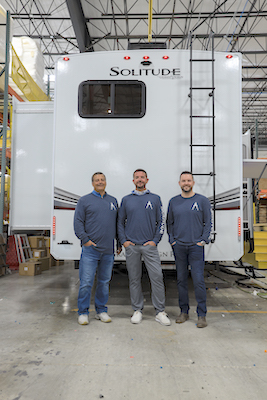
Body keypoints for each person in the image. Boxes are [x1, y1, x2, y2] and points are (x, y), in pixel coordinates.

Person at [117, 169, 171, 326]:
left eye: (142, 177)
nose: (139, 180)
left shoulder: (155, 198)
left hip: (149, 246)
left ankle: (160, 311)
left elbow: (161, 221)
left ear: (147, 179)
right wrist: (124, 241)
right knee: (134, 278)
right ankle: (137, 310)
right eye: (137, 177)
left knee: (157, 277)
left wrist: (155, 240)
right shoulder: (126, 200)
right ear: (133, 180)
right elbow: (120, 222)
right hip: (132, 246)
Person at [74, 172, 120, 325]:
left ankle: (101, 311)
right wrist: (85, 240)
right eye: (97, 180)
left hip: (108, 251)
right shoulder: (84, 200)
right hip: (90, 251)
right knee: (86, 282)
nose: (100, 182)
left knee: (104, 282)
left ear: (106, 182)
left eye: (102, 179)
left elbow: (117, 224)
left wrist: (119, 243)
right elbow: (78, 222)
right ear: (92, 183)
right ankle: (83, 312)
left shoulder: (113, 201)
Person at [167, 171, 211, 328]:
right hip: (179, 247)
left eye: (189, 180)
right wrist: (172, 241)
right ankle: (184, 311)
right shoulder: (173, 202)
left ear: (193, 183)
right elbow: (169, 223)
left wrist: (203, 240)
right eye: (183, 180)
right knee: (181, 280)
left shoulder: (202, 200)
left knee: (198, 280)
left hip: (195, 248)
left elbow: (208, 222)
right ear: (179, 183)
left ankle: (201, 315)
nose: (186, 183)